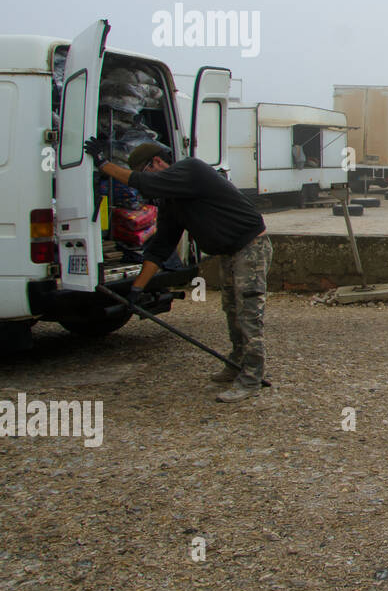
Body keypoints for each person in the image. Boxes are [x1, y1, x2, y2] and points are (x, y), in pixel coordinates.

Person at [86, 139, 272, 403]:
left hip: (250, 246)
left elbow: (144, 183)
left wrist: (105, 165)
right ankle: (238, 362)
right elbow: (161, 246)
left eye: (145, 169)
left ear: (159, 162)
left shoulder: (191, 170)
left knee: (248, 312)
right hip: (230, 253)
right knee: (232, 310)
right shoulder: (171, 201)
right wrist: (137, 288)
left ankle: (252, 378)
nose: (146, 180)